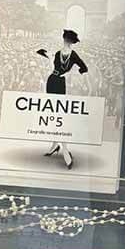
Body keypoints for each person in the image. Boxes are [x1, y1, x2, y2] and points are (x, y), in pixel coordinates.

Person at [36, 29, 88, 168]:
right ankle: (56, 145)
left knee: (59, 116)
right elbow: (41, 53)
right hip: (53, 82)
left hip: (58, 83)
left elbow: (84, 68)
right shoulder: (60, 54)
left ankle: (64, 149)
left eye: (68, 40)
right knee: (54, 114)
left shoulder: (68, 54)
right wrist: (48, 56)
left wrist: (70, 73)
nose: (67, 42)